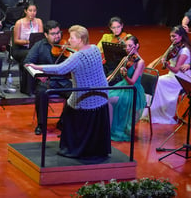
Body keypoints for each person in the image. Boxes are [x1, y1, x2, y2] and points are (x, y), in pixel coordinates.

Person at [26, 25, 110, 159]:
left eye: (72, 38)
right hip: (102, 96)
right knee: (69, 105)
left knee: (69, 111)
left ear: (81, 40)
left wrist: (37, 67)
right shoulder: (94, 48)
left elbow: (60, 69)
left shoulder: (78, 56)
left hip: (86, 98)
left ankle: (73, 148)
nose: (69, 40)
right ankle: (95, 148)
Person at [23, 20, 71, 135]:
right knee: (41, 93)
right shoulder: (39, 46)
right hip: (47, 80)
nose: (57, 36)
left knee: (74, 94)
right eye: (53, 34)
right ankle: (41, 124)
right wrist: (39, 77)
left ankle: (63, 122)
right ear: (46, 35)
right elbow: (27, 62)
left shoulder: (66, 46)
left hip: (63, 80)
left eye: (58, 33)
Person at [141, 25, 191, 124]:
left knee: (158, 81)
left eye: (174, 36)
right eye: (171, 36)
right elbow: (163, 56)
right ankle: (151, 112)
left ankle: (159, 114)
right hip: (172, 76)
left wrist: (167, 65)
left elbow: (177, 69)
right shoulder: (174, 46)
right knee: (155, 81)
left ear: (181, 37)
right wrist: (152, 64)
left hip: (181, 78)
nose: (171, 38)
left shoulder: (184, 51)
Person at [108, 36, 146, 141]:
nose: (127, 48)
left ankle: (110, 130)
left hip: (133, 90)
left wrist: (125, 76)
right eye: (126, 46)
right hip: (123, 86)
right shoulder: (126, 58)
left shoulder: (140, 62)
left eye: (130, 46)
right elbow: (113, 74)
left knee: (109, 101)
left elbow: (132, 82)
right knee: (105, 96)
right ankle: (108, 128)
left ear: (137, 46)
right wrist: (104, 80)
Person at [12, 2, 43, 95]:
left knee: (41, 54)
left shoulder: (39, 21)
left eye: (34, 11)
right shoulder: (19, 22)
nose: (32, 13)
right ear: (25, 11)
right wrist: (28, 42)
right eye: (30, 10)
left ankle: (37, 85)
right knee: (29, 56)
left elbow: (40, 37)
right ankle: (27, 88)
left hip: (34, 49)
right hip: (20, 49)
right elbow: (16, 40)